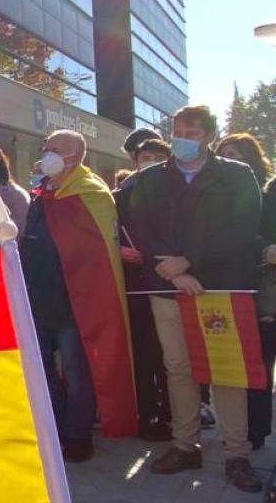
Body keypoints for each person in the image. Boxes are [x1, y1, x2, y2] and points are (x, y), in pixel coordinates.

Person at [127, 107, 263, 490]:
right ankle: (185, 445)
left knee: (226, 369)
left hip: (219, 287)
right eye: (177, 130)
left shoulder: (236, 175)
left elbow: (242, 227)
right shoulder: (151, 178)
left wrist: (191, 262)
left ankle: (236, 454)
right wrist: (174, 270)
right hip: (168, 286)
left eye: (192, 131)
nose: (182, 137)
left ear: (209, 135)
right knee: (178, 367)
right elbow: (140, 226)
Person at [22, 130, 135, 464]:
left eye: (54, 150)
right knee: (42, 368)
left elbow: (96, 252)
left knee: (77, 371)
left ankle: (77, 434)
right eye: (45, 149)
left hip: (75, 300)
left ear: (74, 156)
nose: (47, 155)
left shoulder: (92, 193)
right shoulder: (41, 194)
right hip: (39, 297)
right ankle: (53, 426)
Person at [215, 133, 276, 450]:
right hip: (237, 289)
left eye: (236, 154)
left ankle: (255, 430)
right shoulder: (214, 194)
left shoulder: (268, 192)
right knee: (247, 366)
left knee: (261, 364)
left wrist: (265, 247)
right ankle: (245, 431)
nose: (230, 160)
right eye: (223, 154)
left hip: (264, 289)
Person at [114, 136, 173, 442]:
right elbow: (107, 235)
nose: (150, 162)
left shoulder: (179, 196)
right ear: (135, 163)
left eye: (158, 157)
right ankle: (146, 412)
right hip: (134, 285)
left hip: (169, 283)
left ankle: (172, 414)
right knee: (141, 352)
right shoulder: (119, 197)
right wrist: (119, 251)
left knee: (171, 356)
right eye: (144, 157)